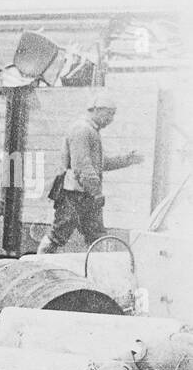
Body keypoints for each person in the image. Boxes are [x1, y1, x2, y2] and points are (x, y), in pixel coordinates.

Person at [38, 93, 142, 254]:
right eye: (109, 114)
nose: (111, 119)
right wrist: (96, 192)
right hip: (73, 195)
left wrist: (127, 160)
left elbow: (98, 164)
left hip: (84, 194)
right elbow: (82, 167)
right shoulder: (82, 130)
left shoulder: (90, 131)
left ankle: (98, 272)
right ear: (96, 110)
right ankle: (39, 264)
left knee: (97, 237)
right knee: (58, 235)